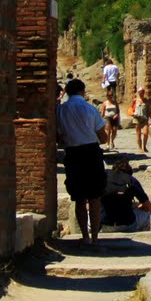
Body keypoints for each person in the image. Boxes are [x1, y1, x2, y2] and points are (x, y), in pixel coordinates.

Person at [56, 78, 107, 242]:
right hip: (92, 152)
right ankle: (95, 237)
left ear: (67, 92)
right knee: (95, 196)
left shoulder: (60, 110)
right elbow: (103, 138)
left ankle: (84, 236)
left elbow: (58, 136)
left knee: (78, 198)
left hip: (73, 153)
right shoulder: (90, 109)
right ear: (83, 91)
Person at [100, 159, 151, 232]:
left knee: (93, 209)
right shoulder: (131, 180)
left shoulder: (105, 178)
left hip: (105, 225)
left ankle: (91, 235)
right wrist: (139, 206)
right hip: (128, 225)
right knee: (146, 214)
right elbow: (148, 206)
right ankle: (144, 237)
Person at [130, 86, 151, 154]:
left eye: (142, 92)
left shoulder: (146, 100)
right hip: (137, 118)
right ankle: (140, 147)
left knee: (145, 133)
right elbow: (131, 108)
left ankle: (144, 146)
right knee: (138, 134)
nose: (141, 93)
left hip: (144, 118)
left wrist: (149, 119)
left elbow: (148, 110)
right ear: (138, 92)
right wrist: (133, 113)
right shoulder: (135, 100)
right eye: (140, 92)